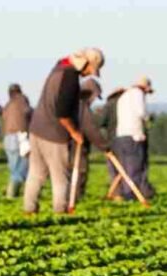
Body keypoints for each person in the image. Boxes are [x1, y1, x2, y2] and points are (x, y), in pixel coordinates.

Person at [24, 48, 104, 214]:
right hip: (54, 134)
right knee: (60, 176)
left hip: (36, 129)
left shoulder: (59, 68)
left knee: (36, 173)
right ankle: (60, 211)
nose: (90, 74)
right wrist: (74, 132)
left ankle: (29, 210)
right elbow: (62, 112)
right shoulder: (70, 76)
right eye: (91, 69)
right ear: (86, 63)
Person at [113, 75, 155, 201]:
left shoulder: (123, 96)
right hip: (134, 135)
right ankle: (132, 195)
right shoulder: (138, 94)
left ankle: (126, 192)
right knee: (135, 167)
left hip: (121, 136)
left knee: (125, 167)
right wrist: (149, 118)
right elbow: (141, 113)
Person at [69, 78, 110, 201]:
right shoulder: (82, 106)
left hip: (65, 143)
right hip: (76, 144)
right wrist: (105, 146)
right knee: (79, 171)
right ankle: (75, 199)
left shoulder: (71, 102)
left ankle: (67, 198)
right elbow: (90, 129)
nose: (93, 100)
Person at [1, 83, 32, 198]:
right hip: (20, 137)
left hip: (8, 138)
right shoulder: (22, 100)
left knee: (14, 168)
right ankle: (12, 194)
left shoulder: (8, 104)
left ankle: (11, 194)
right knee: (23, 167)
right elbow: (28, 113)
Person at [99, 87, 125, 193]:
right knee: (125, 166)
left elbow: (101, 122)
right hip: (126, 140)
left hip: (112, 139)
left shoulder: (109, 105)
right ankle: (126, 190)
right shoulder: (127, 104)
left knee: (113, 168)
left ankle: (116, 192)